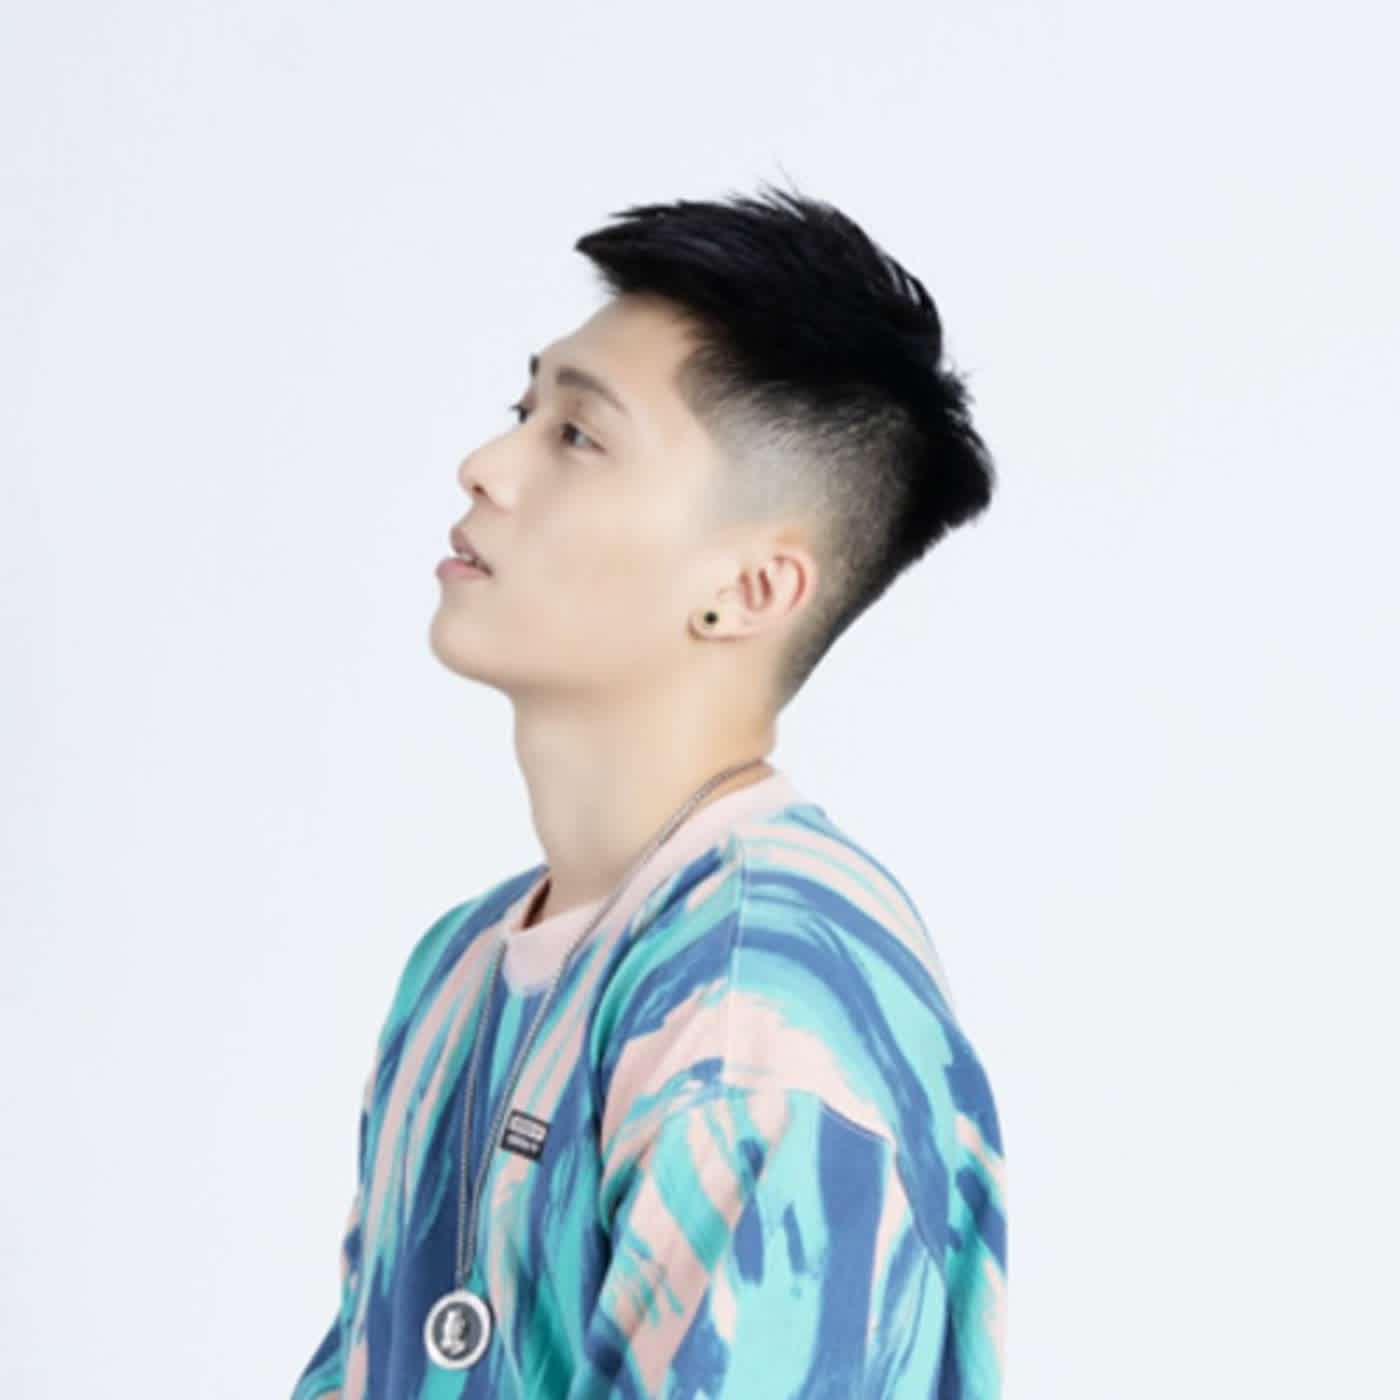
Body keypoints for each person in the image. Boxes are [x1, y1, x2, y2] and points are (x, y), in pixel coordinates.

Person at [291, 181, 1007, 1399]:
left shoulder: (751, 1014)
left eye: (577, 435)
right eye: (521, 411)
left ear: (748, 588)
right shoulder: (460, 968)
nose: (484, 465)